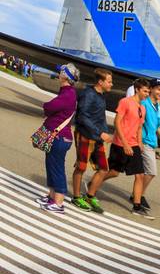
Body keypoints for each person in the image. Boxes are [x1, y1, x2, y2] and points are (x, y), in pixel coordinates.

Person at [37, 63, 79, 214]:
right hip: (58, 137)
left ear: (65, 76)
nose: (59, 74)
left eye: (61, 72)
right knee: (51, 166)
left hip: (59, 137)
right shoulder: (67, 92)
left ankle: (59, 203)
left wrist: (45, 106)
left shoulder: (68, 94)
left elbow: (51, 106)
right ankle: (52, 197)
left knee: (57, 169)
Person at [104, 76, 150, 210]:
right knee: (114, 172)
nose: (147, 94)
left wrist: (139, 143)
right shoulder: (125, 102)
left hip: (134, 144)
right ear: (137, 90)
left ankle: (136, 205)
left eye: (148, 92)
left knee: (140, 175)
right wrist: (124, 143)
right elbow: (116, 122)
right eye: (145, 91)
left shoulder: (142, 108)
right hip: (120, 143)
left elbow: (139, 127)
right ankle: (95, 183)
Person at [71, 67, 113, 211]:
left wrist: (105, 134)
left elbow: (99, 118)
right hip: (85, 135)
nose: (111, 84)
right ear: (100, 82)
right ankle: (76, 197)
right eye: (109, 81)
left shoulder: (101, 96)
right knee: (81, 167)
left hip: (98, 138)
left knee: (103, 169)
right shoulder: (88, 94)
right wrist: (100, 133)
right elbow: (82, 116)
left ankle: (89, 195)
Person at [137, 80, 160, 213]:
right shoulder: (144, 104)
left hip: (152, 143)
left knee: (147, 172)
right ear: (151, 89)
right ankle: (138, 196)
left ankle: (138, 195)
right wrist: (139, 141)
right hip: (144, 142)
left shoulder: (158, 107)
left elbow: (158, 127)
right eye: (158, 89)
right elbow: (138, 124)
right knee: (151, 172)